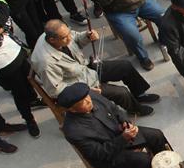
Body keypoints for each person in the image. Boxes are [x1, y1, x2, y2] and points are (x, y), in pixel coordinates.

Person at [58, 84, 184, 168]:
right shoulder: (73, 131)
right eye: (83, 102)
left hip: (120, 134)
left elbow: (114, 108)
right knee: (142, 160)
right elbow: (99, 153)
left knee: (156, 135)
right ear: (72, 110)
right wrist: (123, 138)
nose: (89, 101)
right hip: (108, 155)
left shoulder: (91, 96)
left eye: (87, 97)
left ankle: (168, 166)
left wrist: (125, 122)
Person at [30, 19, 159, 116]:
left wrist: (87, 36)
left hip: (85, 68)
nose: (69, 38)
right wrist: (86, 91)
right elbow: (56, 90)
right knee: (121, 92)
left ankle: (139, 94)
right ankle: (134, 109)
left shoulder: (60, 34)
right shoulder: (45, 63)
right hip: (81, 85)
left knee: (125, 66)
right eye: (65, 38)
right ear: (52, 40)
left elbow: (76, 38)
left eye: (68, 33)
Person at [0, 0, 40, 137]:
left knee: (32, 79)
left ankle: (34, 99)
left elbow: (6, 20)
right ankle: (29, 119)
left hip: (15, 49)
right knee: (19, 92)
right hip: (1, 62)